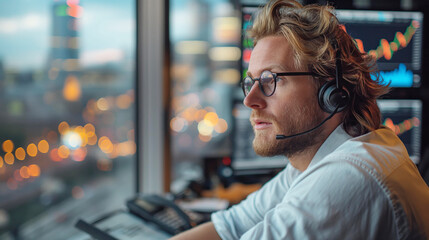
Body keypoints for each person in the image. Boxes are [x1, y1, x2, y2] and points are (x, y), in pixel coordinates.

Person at [170, 0, 429, 239]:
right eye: (250, 82)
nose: (250, 100)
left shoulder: (350, 176)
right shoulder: (310, 162)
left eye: (272, 80)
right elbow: (230, 226)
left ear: (331, 92)